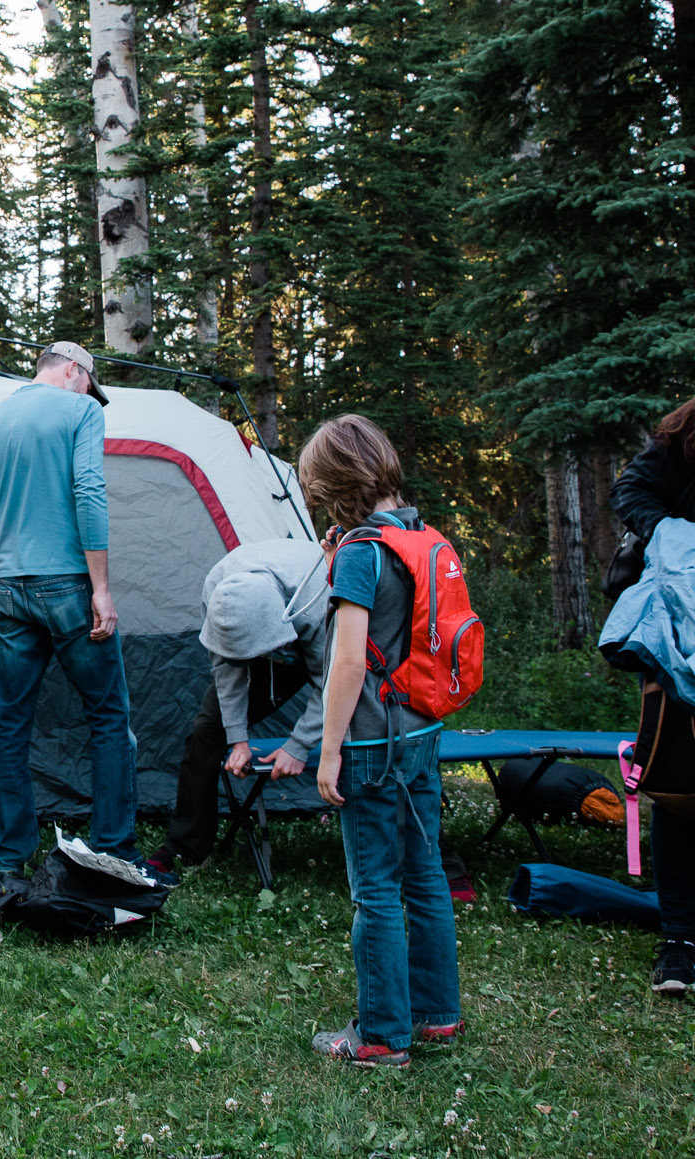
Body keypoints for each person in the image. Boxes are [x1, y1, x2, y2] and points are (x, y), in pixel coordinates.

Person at [299, 414, 459, 1068]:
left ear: (334, 485)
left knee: (376, 889)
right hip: (422, 730)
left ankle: (381, 1034)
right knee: (426, 876)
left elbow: (348, 661)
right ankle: (436, 1014)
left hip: (371, 743)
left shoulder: (362, 552)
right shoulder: (417, 533)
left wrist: (329, 748)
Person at [0, 340, 140, 881]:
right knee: (108, 719)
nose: (91, 396)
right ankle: (113, 853)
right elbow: (88, 491)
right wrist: (100, 589)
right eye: (90, 385)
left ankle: (10, 854)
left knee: (12, 724)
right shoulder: (80, 411)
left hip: (10, 593)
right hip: (69, 590)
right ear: (74, 372)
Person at [147, 539, 329, 876]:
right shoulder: (218, 592)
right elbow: (226, 670)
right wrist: (238, 739)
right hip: (259, 624)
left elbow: (331, 680)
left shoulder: (319, 599)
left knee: (365, 728)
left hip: (313, 630)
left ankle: (431, 862)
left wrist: (299, 746)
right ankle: (186, 849)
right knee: (205, 733)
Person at [609, 396, 695, 994]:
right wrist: (670, 534)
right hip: (676, 633)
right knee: (679, 786)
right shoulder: (676, 443)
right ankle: (681, 941)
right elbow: (629, 493)